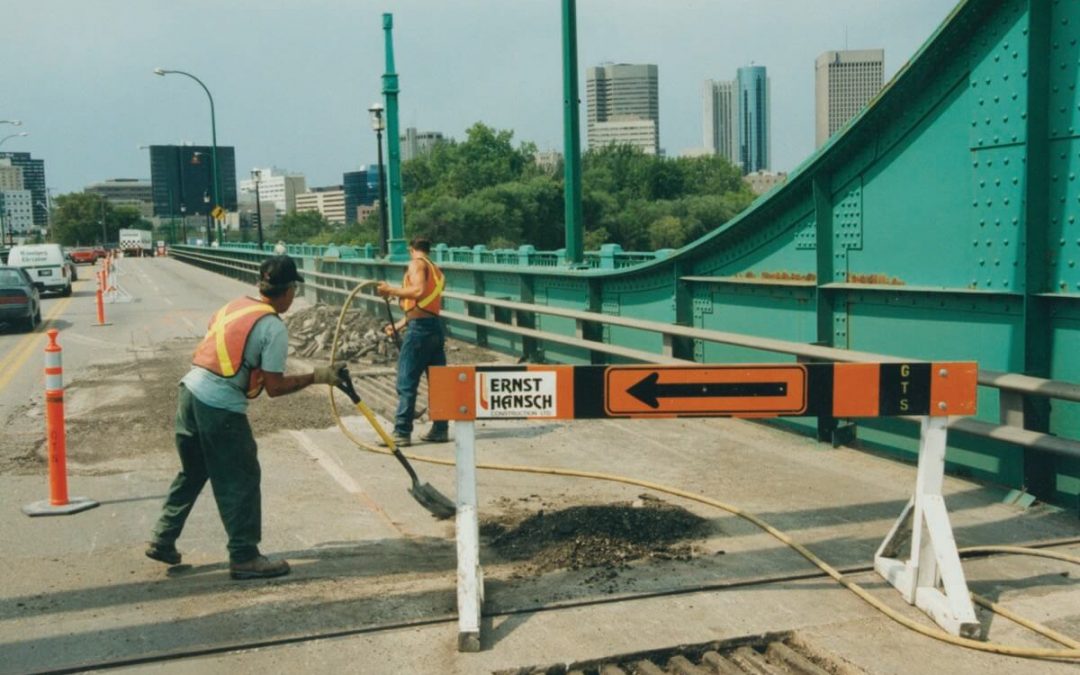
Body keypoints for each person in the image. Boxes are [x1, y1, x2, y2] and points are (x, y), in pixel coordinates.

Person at [146, 255, 343, 579]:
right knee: (241, 478)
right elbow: (275, 387)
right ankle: (244, 556)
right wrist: (318, 376)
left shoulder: (234, 306)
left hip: (190, 392)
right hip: (218, 405)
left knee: (194, 470)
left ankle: (163, 537)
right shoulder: (272, 327)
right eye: (294, 290)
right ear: (290, 289)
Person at [376, 236, 450, 447]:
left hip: (419, 332)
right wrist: (400, 324)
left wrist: (391, 290)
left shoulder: (416, 264)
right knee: (437, 381)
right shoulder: (435, 269)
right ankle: (440, 429)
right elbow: (424, 305)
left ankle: (401, 432)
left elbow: (417, 292)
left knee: (406, 380)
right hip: (434, 328)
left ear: (411, 250)